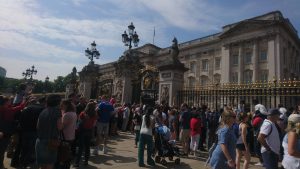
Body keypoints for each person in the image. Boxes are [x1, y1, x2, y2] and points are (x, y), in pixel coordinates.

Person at [35, 94, 63, 169]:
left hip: (40, 140)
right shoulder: (57, 111)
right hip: (51, 141)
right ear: (58, 102)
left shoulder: (43, 111)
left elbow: (38, 126)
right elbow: (60, 127)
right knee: (50, 164)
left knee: (42, 165)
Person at [0, 95, 26, 169]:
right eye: (9, 101)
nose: (10, 101)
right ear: (5, 102)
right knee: (1, 151)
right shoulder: (8, 110)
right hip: (4, 133)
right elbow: (21, 107)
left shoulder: (4, 108)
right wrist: (24, 99)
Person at [74, 101, 97, 167]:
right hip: (89, 131)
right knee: (87, 147)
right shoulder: (95, 115)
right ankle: (86, 162)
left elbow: (78, 123)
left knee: (81, 147)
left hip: (82, 131)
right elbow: (94, 125)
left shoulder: (83, 113)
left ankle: (77, 163)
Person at [59, 99, 77, 169]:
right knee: (68, 153)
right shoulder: (74, 113)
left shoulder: (66, 114)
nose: (61, 106)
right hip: (71, 135)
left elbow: (61, 127)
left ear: (66, 105)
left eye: (62, 105)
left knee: (63, 154)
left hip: (65, 136)